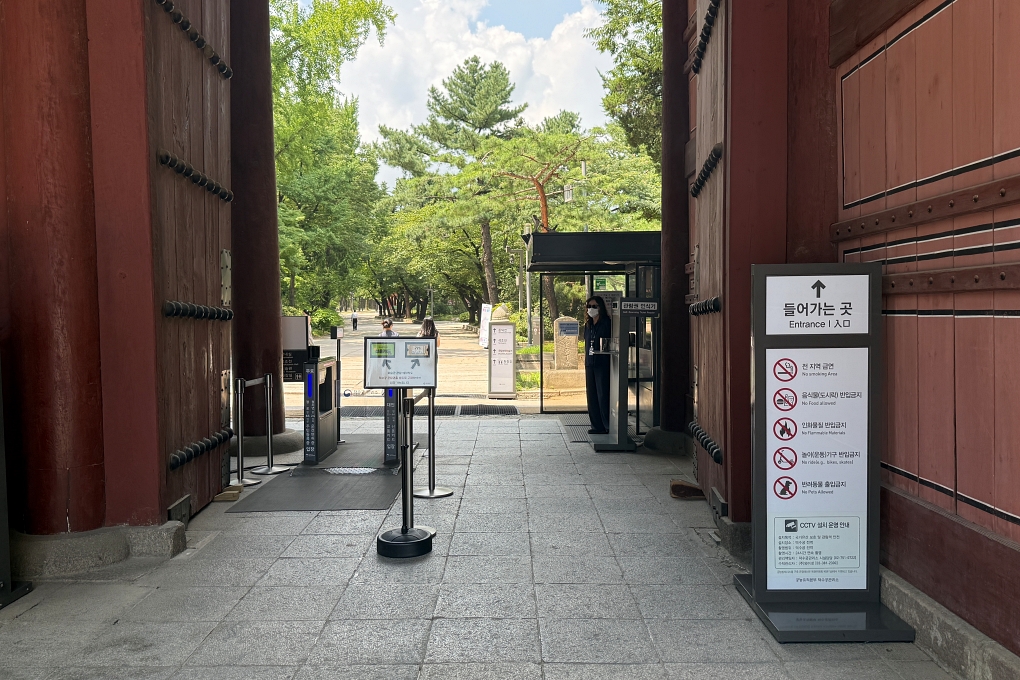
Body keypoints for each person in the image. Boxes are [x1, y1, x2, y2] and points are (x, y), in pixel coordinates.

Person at [584, 296, 612, 434]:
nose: (591, 309)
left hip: (602, 364)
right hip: (590, 363)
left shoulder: (606, 323)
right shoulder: (588, 325)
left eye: (594, 306)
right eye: (589, 306)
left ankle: (607, 425)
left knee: (603, 394)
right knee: (592, 395)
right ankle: (596, 426)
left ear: (600, 308)